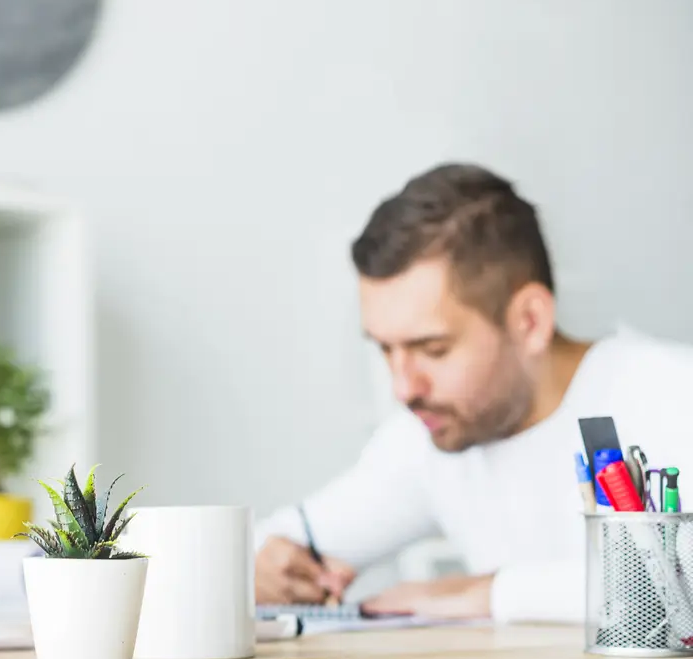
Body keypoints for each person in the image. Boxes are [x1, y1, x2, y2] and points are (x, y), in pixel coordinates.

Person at [254, 162, 693, 624]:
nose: (403, 388)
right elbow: (283, 543)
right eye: (386, 349)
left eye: (433, 349)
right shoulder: (432, 433)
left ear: (529, 321)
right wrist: (269, 569)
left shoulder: (672, 392)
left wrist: (489, 594)